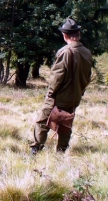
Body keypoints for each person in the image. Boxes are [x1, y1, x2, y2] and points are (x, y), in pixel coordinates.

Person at [30, 18, 92, 154]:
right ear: (78, 34)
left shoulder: (65, 52)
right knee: (66, 123)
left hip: (59, 97)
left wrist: (51, 94)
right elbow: (88, 77)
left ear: (65, 35)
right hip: (75, 97)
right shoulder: (87, 53)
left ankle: (36, 150)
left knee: (42, 121)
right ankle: (61, 152)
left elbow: (56, 78)